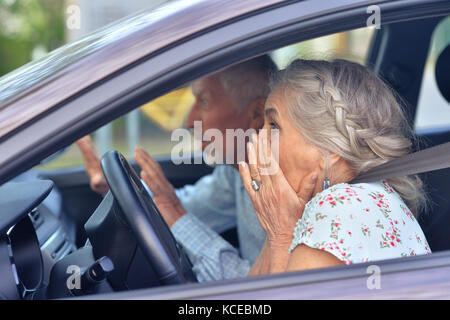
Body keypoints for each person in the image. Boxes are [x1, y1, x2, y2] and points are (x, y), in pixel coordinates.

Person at [76, 55, 278, 281]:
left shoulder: (291, 184)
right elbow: (190, 207)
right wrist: (120, 191)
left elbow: (254, 290)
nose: (190, 120)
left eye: (203, 102)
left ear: (257, 114)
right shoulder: (237, 172)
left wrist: (174, 211)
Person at [238, 59, 431, 275]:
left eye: (273, 126)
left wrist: (282, 236)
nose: (257, 138)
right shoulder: (369, 195)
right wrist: (276, 223)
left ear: (330, 149)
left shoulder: (340, 208)